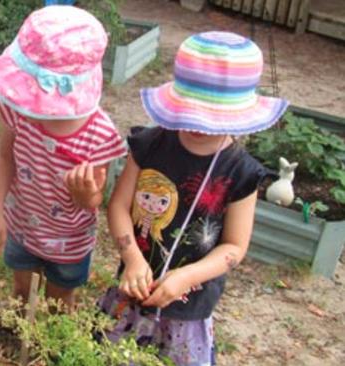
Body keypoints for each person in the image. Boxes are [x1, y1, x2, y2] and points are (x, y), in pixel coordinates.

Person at [99, 31, 289, 365]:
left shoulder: (241, 172)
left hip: (189, 307)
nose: (199, 126)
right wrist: (131, 257)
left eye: (213, 117)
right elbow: (117, 205)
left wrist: (187, 276)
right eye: (192, 111)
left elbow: (234, 247)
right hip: (132, 287)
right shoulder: (150, 144)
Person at [0, 5, 128, 307]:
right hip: (21, 225)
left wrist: (84, 196)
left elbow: (95, 201)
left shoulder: (99, 135)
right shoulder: (16, 109)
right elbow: (5, 158)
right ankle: (19, 348)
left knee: (60, 305)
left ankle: (50, 354)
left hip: (69, 243)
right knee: (22, 294)